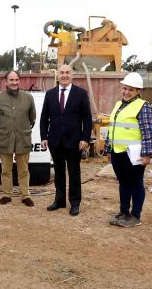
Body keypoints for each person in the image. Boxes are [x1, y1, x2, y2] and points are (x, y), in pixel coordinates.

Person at [105, 72, 152, 228]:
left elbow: (148, 131)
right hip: (118, 152)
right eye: (125, 88)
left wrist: (147, 154)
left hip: (134, 155)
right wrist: (109, 149)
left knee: (135, 183)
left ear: (138, 91)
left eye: (131, 90)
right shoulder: (118, 105)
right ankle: (124, 212)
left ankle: (135, 215)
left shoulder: (143, 106)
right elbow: (112, 129)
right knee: (123, 183)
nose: (126, 92)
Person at [40, 64, 92, 216]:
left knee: (74, 173)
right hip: (55, 141)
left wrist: (85, 138)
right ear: (58, 75)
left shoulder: (81, 93)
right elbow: (44, 118)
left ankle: (75, 203)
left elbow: (87, 119)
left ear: (72, 75)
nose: (64, 75)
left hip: (74, 142)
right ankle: (60, 200)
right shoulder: (50, 94)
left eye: (67, 73)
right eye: (61, 72)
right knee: (59, 172)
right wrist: (44, 136)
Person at [0, 70, 36, 207]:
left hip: (23, 139)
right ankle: (7, 194)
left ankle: (25, 195)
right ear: (6, 81)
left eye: (16, 80)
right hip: (5, 139)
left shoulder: (28, 98)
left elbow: (32, 117)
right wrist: (6, 128)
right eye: (11, 80)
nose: (14, 82)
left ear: (19, 81)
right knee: (6, 170)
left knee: (24, 170)